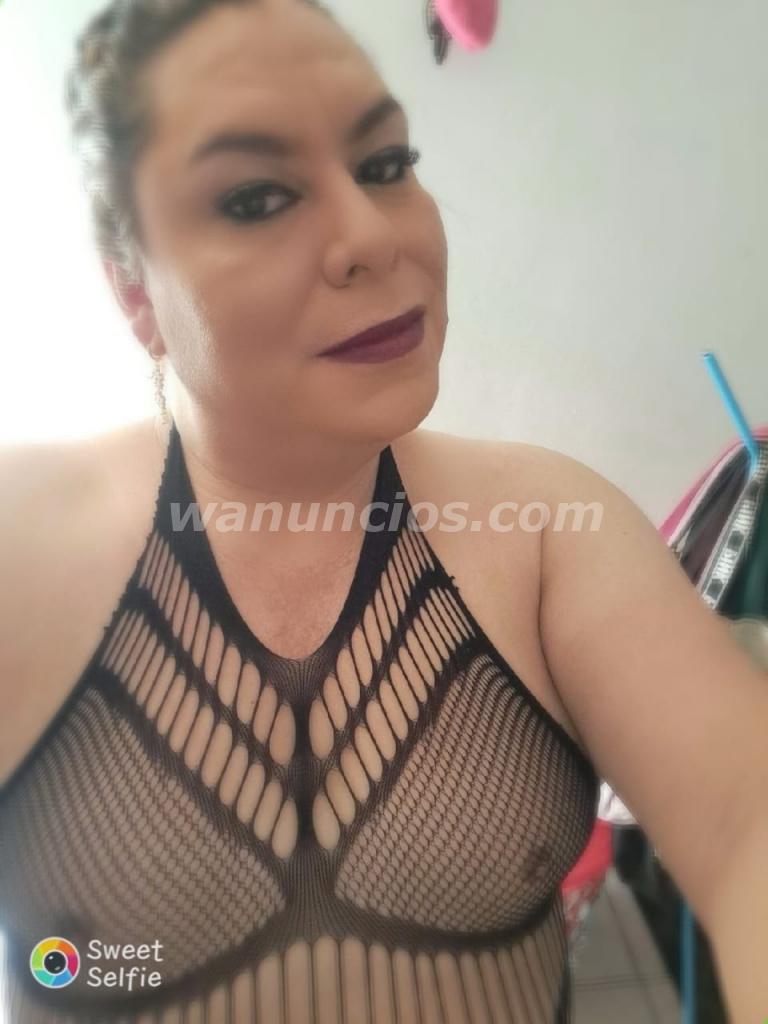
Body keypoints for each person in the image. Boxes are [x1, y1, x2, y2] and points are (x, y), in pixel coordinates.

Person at [0, 0, 765, 1021]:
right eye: (258, 198)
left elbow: (745, 812)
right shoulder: (20, 549)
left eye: (385, 163)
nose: (370, 235)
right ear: (136, 291)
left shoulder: (550, 529)